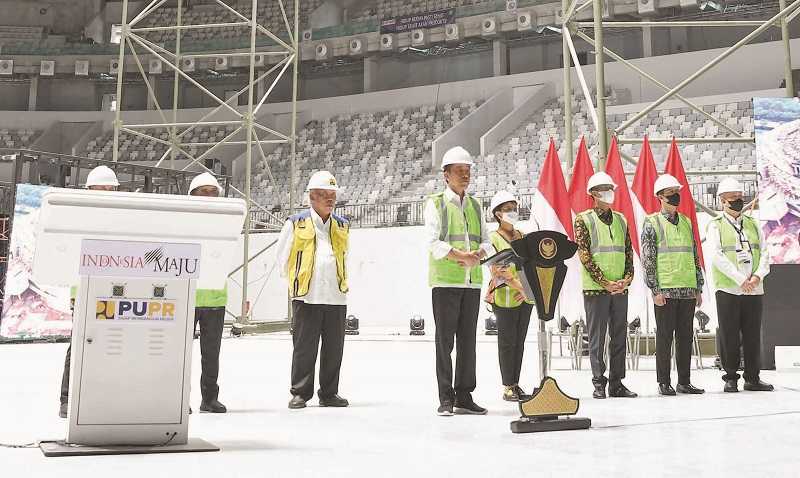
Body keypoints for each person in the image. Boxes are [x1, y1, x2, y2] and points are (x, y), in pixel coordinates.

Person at [424, 146, 493, 416]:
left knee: (467, 341)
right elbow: (432, 242)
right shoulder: (437, 203)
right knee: (445, 342)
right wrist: (460, 256)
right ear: (446, 175)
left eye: (468, 171)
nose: (465, 176)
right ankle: (445, 398)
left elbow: (487, 240)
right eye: (459, 171)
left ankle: (464, 395)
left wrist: (478, 256)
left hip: (470, 283)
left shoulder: (475, 205)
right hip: (446, 283)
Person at [276, 170, 350, 410]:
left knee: (334, 348)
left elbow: (344, 256)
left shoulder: (342, 225)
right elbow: (281, 257)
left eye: (333, 195)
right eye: (325, 195)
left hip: (336, 296)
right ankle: (300, 392)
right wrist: (295, 283)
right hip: (307, 295)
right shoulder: (296, 223)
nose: (331, 199)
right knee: (304, 347)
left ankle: (329, 393)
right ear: (312, 197)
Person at [59, 165, 119, 418]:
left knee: (109, 345)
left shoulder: (121, 219)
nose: (105, 192)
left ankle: (103, 397)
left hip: (112, 292)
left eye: (109, 189)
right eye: (100, 188)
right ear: (89, 190)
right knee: (80, 344)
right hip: (84, 290)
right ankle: (67, 399)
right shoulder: (78, 218)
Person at [641, 174, 705, 396]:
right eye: (670, 194)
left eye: (676, 192)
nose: (675, 197)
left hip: (687, 289)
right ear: (660, 197)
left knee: (685, 337)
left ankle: (684, 382)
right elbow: (648, 259)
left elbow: (695, 255)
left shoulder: (687, 222)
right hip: (665, 290)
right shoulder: (652, 223)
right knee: (665, 337)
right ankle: (663, 382)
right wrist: (654, 289)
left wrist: (698, 286)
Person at [574, 172, 637, 400]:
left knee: (620, 336)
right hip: (596, 289)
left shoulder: (621, 219)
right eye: (603, 188)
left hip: (620, 288)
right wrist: (605, 282)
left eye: (610, 187)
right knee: (597, 338)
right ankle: (599, 382)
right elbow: (585, 255)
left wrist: (627, 279)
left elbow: (628, 252)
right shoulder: (583, 219)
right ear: (592, 194)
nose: (609, 192)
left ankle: (617, 383)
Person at [707, 178, 773, 393]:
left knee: (753, 334)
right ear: (722, 200)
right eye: (733, 197)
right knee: (729, 334)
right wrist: (739, 279)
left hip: (754, 289)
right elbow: (716, 256)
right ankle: (731, 377)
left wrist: (757, 276)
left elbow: (764, 253)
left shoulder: (754, 224)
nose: (738, 200)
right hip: (729, 289)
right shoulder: (715, 225)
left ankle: (753, 377)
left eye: (739, 196)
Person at [486, 190, 534, 402]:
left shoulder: (522, 236)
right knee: (507, 342)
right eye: (507, 210)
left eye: (514, 208)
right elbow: (499, 270)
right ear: (497, 214)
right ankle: (508, 386)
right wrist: (520, 288)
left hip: (524, 298)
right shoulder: (492, 238)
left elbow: (529, 265)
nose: (512, 212)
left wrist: (526, 292)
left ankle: (515, 383)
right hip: (505, 298)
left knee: (520, 342)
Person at [188, 172, 229, 413]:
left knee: (211, 353)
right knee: (181, 354)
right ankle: (179, 398)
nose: (210, 196)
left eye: (213, 192)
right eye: (204, 192)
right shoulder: (183, 221)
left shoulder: (226, 222)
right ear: (192, 195)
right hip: (188, 296)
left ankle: (209, 398)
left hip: (215, 295)